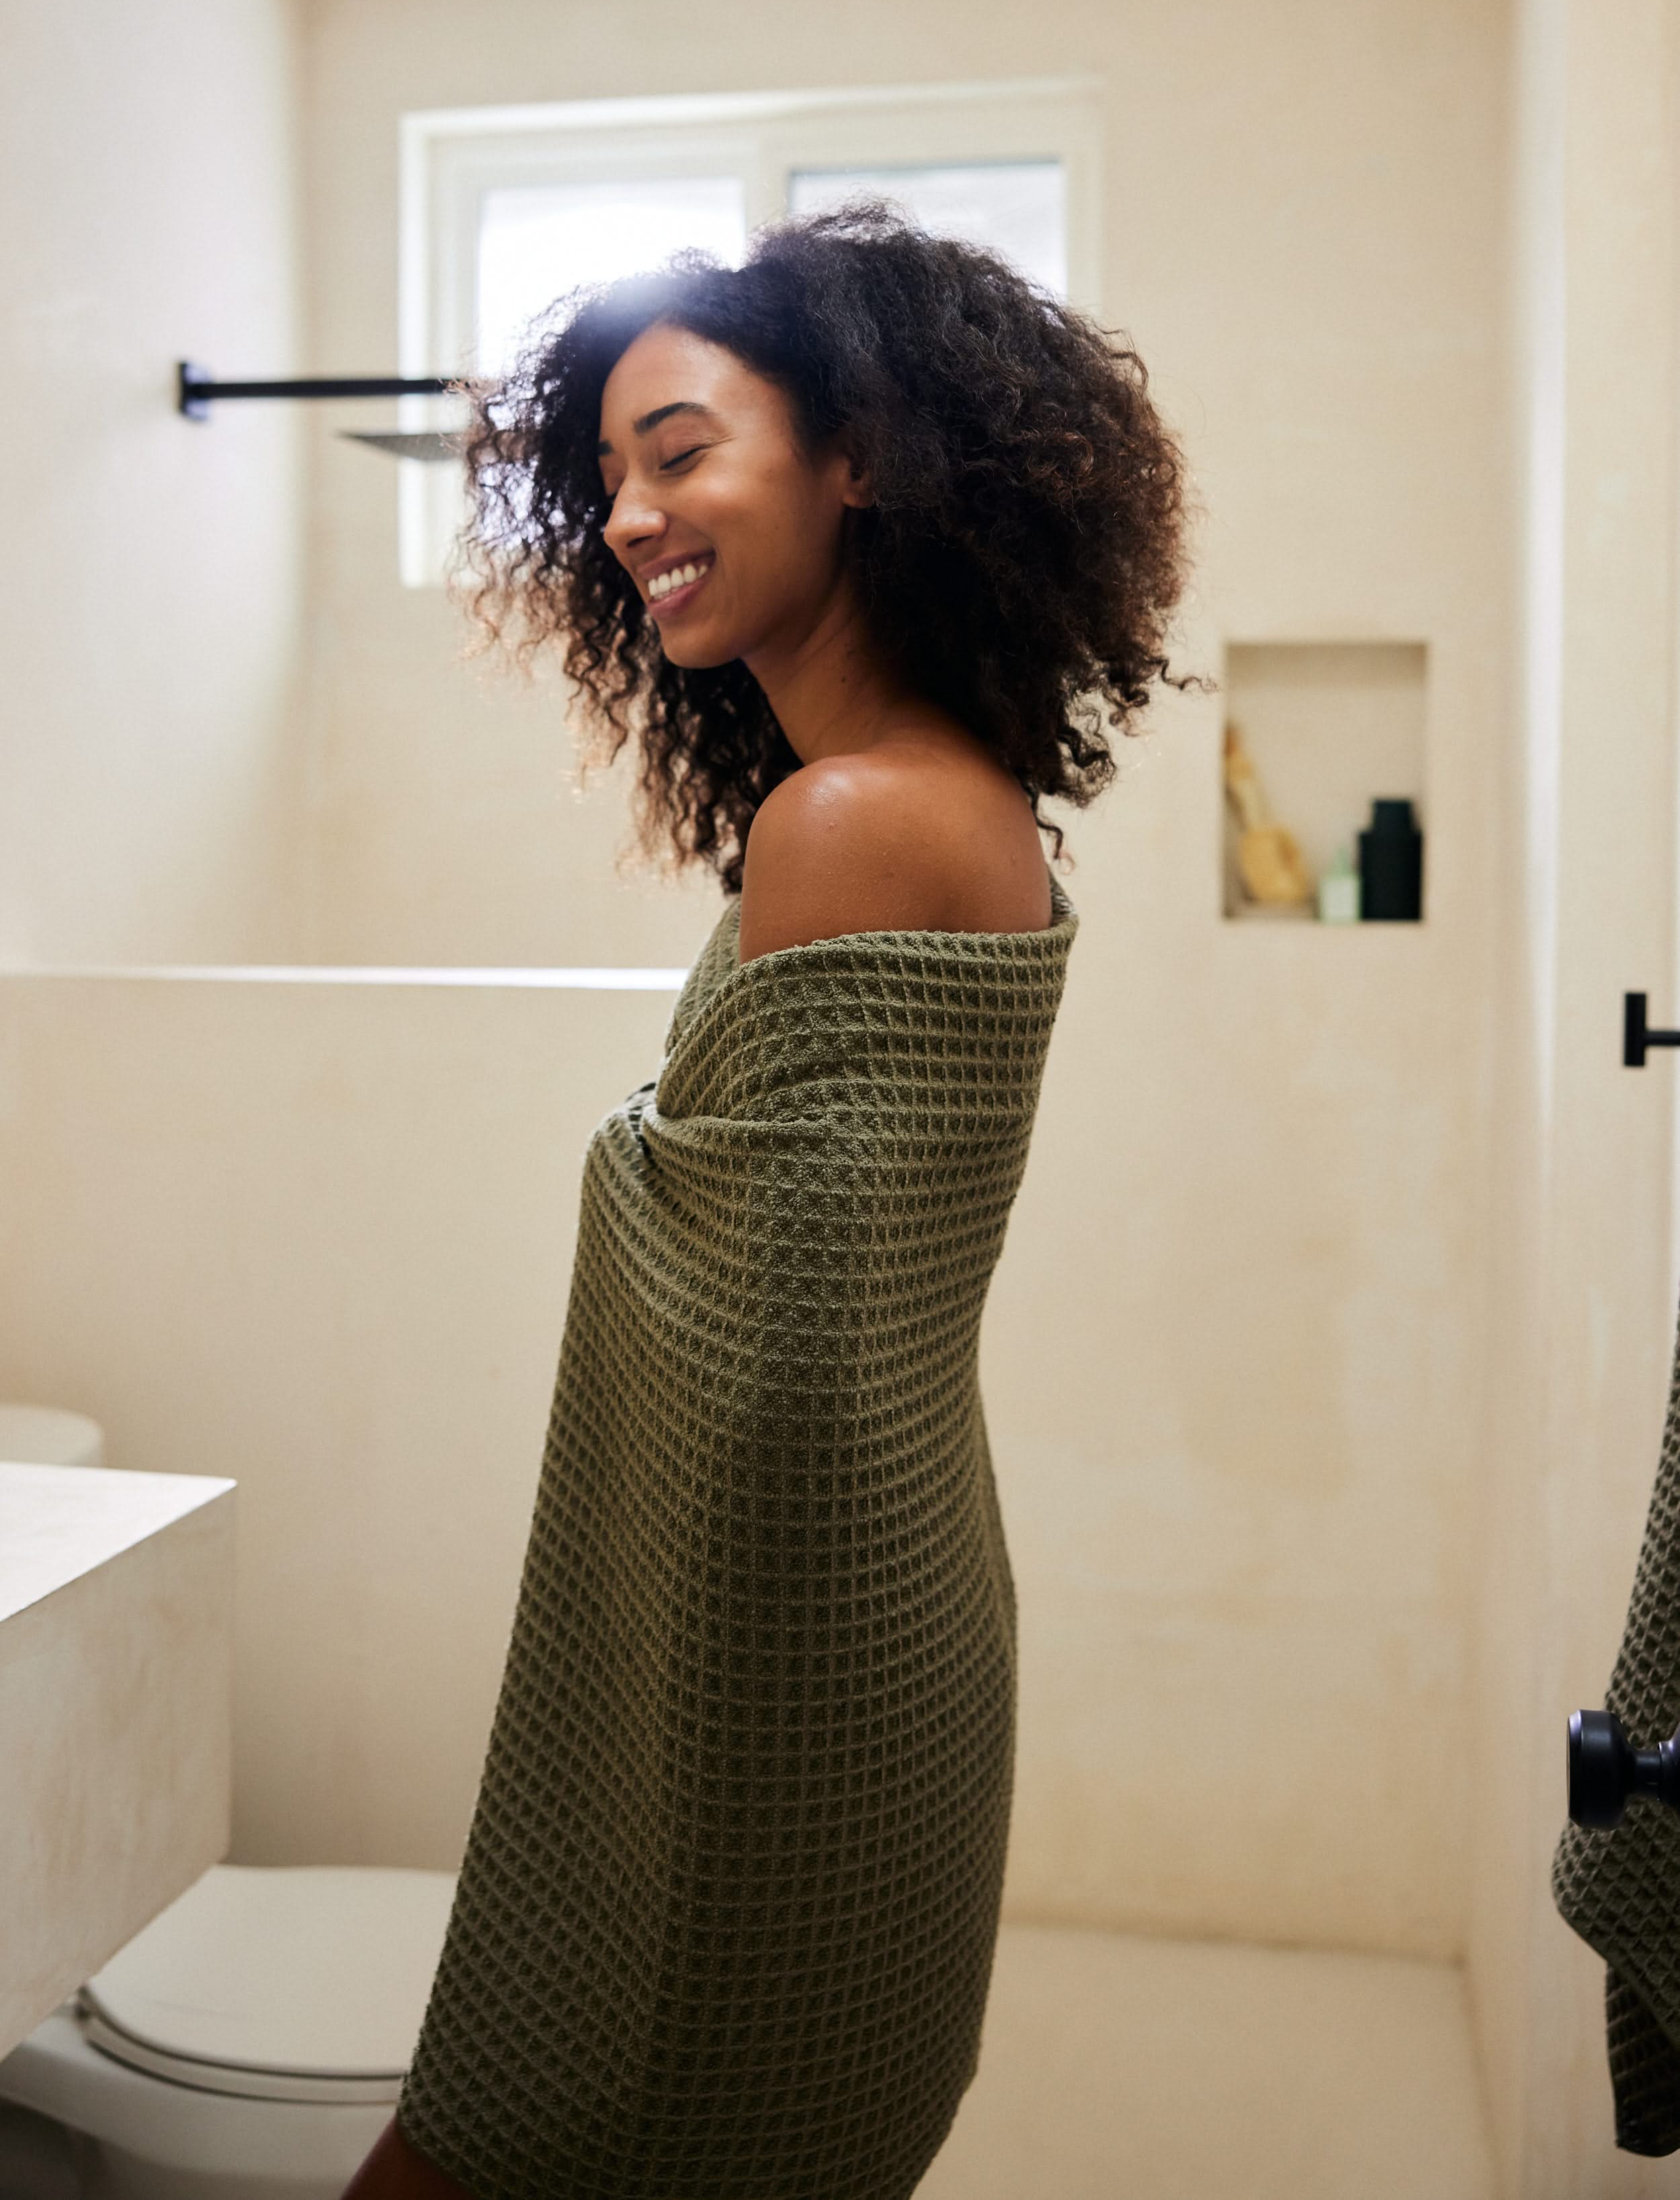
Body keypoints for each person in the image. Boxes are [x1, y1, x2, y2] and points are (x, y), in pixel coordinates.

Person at [345, 204, 1189, 2200]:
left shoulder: (849, 817)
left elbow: (773, 1349)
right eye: (615, 471)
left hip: (764, 1662)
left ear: (855, 455)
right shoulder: (949, 787)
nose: (633, 512)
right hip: (891, 1599)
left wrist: (636, 1147)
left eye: (682, 448)